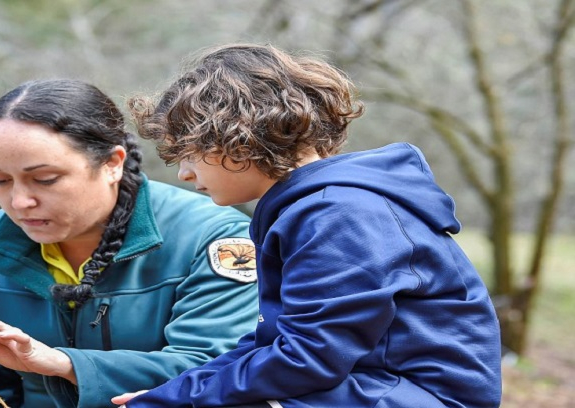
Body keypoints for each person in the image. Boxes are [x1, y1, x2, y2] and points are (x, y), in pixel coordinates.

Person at [108, 43, 503, 407]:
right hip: (370, 386)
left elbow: (308, 359)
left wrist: (178, 400)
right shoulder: (314, 207)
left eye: (188, 154)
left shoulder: (340, 214)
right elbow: (276, 345)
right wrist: (172, 392)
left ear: (239, 140)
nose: (184, 175)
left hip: (420, 396)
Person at [0, 78, 259, 408]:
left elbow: (214, 368)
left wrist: (63, 364)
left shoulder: (213, 238)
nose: (19, 201)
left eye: (45, 179)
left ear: (112, 164)